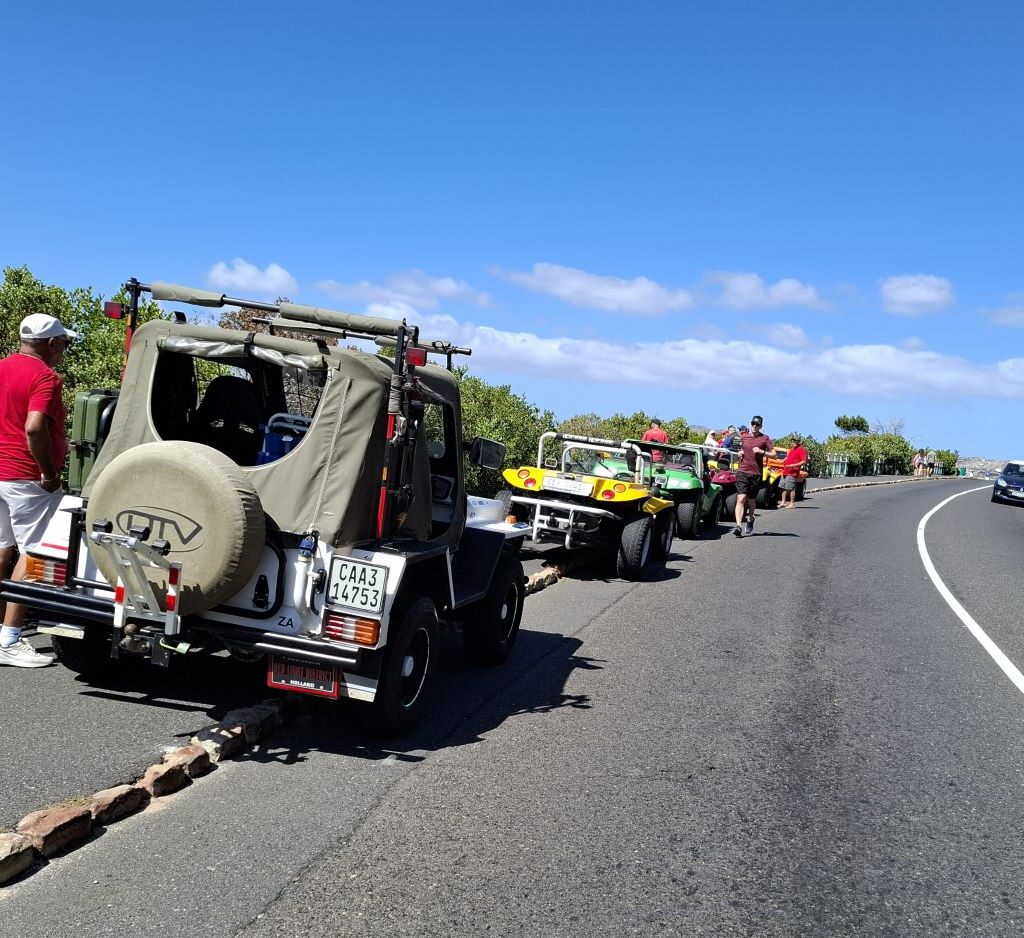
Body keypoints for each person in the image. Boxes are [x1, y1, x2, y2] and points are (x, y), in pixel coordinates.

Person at [0, 313, 77, 667]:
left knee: (2, 549)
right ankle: (10, 639)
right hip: (25, 477)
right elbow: (34, 428)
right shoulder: (45, 377)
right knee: (34, 555)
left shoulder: (2, 367)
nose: (63, 349)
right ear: (50, 343)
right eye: (63, 342)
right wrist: (48, 473)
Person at [733, 416, 772, 537]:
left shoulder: (764, 438)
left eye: (757, 424)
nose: (754, 426)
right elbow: (737, 453)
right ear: (750, 424)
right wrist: (738, 454)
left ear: (761, 426)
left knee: (751, 500)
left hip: (755, 474)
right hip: (742, 471)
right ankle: (738, 526)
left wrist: (762, 452)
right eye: (753, 423)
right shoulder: (744, 437)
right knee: (741, 498)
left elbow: (774, 454)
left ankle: (750, 519)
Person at [779, 436, 808, 508]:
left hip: (793, 472)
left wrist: (793, 465)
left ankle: (792, 504)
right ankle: (783, 502)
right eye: (792, 441)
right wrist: (783, 460)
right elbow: (788, 457)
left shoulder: (801, 450)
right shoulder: (791, 449)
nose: (793, 442)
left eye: (795, 441)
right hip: (785, 471)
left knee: (791, 488)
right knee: (783, 487)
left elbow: (804, 461)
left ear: (799, 442)